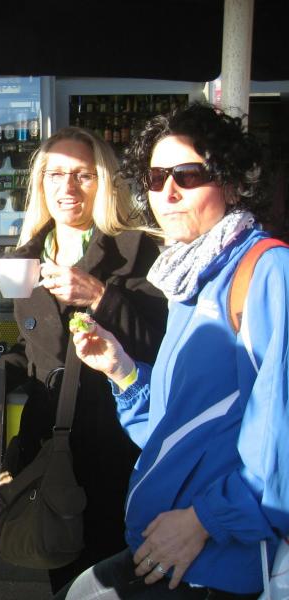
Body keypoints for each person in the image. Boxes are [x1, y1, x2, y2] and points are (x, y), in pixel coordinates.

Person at [57, 103, 289, 599]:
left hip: (224, 563)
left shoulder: (267, 271)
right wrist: (122, 371)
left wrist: (204, 521)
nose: (168, 192)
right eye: (156, 177)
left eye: (188, 175)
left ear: (232, 183)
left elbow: (282, 443)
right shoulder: (190, 278)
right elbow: (174, 431)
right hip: (170, 549)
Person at [2, 126, 168, 592]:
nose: (68, 187)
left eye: (83, 175)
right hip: (51, 445)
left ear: (105, 183)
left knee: (109, 577)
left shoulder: (139, 249)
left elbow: (160, 344)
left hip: (117, 447)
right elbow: (35, 349)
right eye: (56, 174)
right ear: (41, 184)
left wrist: (99, 295)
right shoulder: (26, 257)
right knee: (62, 569)